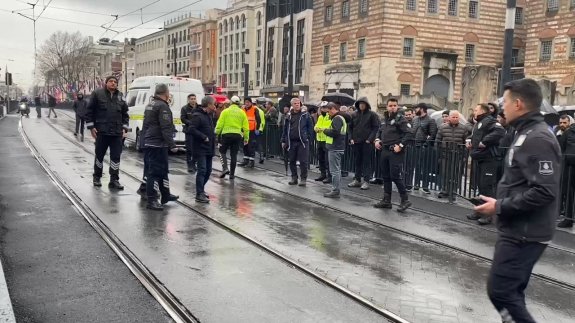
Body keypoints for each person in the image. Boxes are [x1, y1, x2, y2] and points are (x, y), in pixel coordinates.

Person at [475, 78, 561, 323]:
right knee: (511, 293)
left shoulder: (538, 139)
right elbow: (523, 181)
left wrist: (499, 206)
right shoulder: (525, 133)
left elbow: (545, 191)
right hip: (518, 227)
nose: (502, 107)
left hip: (525, 232)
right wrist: (499, 200)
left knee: (501, 291)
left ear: (519, 104)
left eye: (506, 102)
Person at [85, 76, 129, 189]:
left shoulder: (120, 96)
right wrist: (91, 127)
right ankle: (97, 177)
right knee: (99, 156)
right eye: (111, 81)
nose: (113, 83)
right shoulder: (97, 94)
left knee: (115, 157)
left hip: (116, 133)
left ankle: (114, 180)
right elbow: (89, 111)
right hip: (101, 131)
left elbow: (125, 114)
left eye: (115, 82)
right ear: (106, 83)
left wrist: (124, 128)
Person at [142, 84, 180, 210]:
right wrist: (172, 144)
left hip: (151, 141)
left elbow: (147, 124)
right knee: (154, 172)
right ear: (166, 93)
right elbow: (165, 127)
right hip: (157, 143)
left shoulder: (151, 104)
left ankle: (165, 194)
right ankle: (152, 199)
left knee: (163, 171)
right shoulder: (162, 106)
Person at [467, 103, 505, 225]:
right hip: (480, 158)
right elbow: (475, 136)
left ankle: (489, 215)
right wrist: (469, 140)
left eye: (476, 109)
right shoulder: (479, 122)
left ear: (482, 111)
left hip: (489, 159)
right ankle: (480, 210)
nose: (474, 111)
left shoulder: (489, 120)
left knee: (487, 186)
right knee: (481, 186)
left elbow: (500, 131)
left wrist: (484, 142)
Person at [373, 98, 413, 212]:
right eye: (390, 105)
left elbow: (409, 134)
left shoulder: (401, 119)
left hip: (395, 152)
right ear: (387, 107)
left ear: (397, 106)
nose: (392, 107)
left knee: (395, 176)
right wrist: (376, 140)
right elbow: (379, 131)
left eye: (394, 105)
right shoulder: (384, 118)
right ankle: (386, 200)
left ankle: (405, 200)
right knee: (386, 176)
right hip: (384, 150)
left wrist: (400, 145)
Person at [435, 110, 471, 199]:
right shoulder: (442, 127)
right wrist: (438, 154)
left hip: (457, 154)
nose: (455, 119)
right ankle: (444, 190)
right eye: (453, 117)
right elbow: (437, 141)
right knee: (445, 173)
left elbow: (466, 143)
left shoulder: (463, 128)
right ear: (449, 117)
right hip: (445, 154)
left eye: (456, 117)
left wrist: (464, 156)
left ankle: (453, 191)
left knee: (455, 174)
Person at [348, 97, 380, 190]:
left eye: (363, 103)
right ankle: (357, 180)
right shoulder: (354, 114)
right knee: (357, 162)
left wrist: (369, 139)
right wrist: (351, 138)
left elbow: (375, 128)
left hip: (367, 143)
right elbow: (350, 128)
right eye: (360, 103)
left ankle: (366, 181)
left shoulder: (372, 115)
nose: (361, 105)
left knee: (367, 162)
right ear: (357, 105)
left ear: (366, 105)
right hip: (356, 142)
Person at [189, 96, 217, 203]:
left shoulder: (209, 116)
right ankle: (199, 193)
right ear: (208, 105)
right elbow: (191, 129)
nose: (215, 106)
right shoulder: (197, 116)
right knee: (202, 170)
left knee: (208, 171)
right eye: (213, 104)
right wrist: (203, 136)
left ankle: (201, 189)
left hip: (209, 147)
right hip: (200, 148)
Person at [215, 95, 249, 180]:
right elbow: (246, 127)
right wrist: (246, 138)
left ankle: (225, 168)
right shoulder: (242, 112)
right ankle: (232, 175)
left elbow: (220, 124)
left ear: (231, 102)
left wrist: (216, 133)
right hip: (237, 135)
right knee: (234, 154)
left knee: (222, 152)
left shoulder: (225, 111)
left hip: (226, 134)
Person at [281, 97, 313, 186]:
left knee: (303, 161)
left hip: (302, 141)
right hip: (291, 141)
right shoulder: (288, 115)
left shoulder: (305, 115)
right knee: (292, 160)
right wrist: (283, 140)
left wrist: (308, 138)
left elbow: (310, 127)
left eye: (298, 103)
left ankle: (303, 179)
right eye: (295, 103)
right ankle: (294, 178)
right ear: (292, 105)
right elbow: (285, 129)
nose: (297, 105)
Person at [319, 103, 347, 198]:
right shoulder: (340, 118)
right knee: (336, 170)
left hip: (335, 147)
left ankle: (335, 190)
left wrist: (324, 130)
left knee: (334, 170)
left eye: (328, 111)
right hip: (337, 146)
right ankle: (336, 189)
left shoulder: (337, 118)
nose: (328, 113)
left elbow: (335, 132)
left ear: (333, 109)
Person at [412, 103, 438, 193]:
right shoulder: (415, 119)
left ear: (422, 109)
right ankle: (416, 184)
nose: (415, 110)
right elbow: (412, 131)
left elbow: (432, 134)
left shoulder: (431, 120)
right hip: (415, 145)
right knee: (417, 166)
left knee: (425, 167)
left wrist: (426, 144)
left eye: (417, 108)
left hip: (425, 147)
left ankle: (425, 186)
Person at [557, 117, 575, 228]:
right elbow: (561, 149)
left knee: (569, 193)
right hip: (570, 168)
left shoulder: (568, 132)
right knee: (569, 193)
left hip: (570, 167)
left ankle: (569, 218)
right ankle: (568, 218)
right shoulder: (568, 132)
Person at [238, 97, 261, 168]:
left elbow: (258, 119)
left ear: (251, 103)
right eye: (246, 102)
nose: (247, 103)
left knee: (251, 145)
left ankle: (251, 161)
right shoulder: (242, 109)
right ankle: (246, 160)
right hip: (244, 130)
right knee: (245, 145)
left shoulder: (254, 109)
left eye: (248, 102)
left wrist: (257, 129)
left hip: (251, 130)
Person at [314, 102, 331, 183]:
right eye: (322, 107)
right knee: (320, 158)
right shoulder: (320, 117)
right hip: (319, 139)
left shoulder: (330, 117)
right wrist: (316, 128)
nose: (323, 109)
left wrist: (320, 128)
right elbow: (316, 125)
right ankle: (323, 174)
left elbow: (329, 127)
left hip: (326, 140)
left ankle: (329, 176)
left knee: (327, 159)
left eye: (324, 107)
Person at [181, 94, 198, 173]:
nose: (193, 100)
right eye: (191, 99)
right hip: (189, 131)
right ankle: (190, 165)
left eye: (194, 99)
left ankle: (194, 164)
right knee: (189, 149)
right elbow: (183, 118)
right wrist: (191, 123)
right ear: (188, 100)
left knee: (196, 149)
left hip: (197, 132)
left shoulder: (198, 108)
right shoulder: (184, 108)